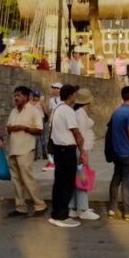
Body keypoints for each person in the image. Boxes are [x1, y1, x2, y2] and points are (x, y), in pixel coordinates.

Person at [6, 86, 47, 217]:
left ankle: (40, 205)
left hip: (26, 149)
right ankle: (20, 207)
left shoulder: (33, 111)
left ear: (26, 97)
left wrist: (24, 128)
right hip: (13, 149)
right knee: (16, 180)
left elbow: (40, 130)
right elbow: (8, 127)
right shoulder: (13, 111)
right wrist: (11, 128)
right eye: (15, 95)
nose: (16, 98)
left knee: (27, 178)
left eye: (19, 95)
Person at [48, 84, 84, 228]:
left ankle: (57, 213)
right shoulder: (68, 111)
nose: (76, 97)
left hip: (58, 150)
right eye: (75, 94)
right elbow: (76, 133)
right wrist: (82, 152)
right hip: (67, 150)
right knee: (67, 184)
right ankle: (61, 216)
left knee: (59, 183)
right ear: (70, 96)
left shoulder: (57, 109)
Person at [107, 86, 129, 220]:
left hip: (117, 152)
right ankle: (128, 211)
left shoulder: (116, 112)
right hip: (127, 153)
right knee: (126, 182)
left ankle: (112, 208)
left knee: (116, 179)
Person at [69, 89, 100, 220]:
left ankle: (74, 207)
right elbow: (79, 135)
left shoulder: (79, 113)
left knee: (78, 178)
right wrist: (83, 153)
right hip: (82, 150)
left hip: (82, 150)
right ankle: (83, 208)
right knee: (83, 178)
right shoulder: (80, 114)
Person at [43, 83, 63, 171]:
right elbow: (49, 112)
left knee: (58, 142)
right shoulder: (52, 100)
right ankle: (51, 161)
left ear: (59, 89)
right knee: (50, 142)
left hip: (60, 124)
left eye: (55, 88)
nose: (53, 90)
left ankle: (56, 161)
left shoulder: (63, 99)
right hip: (53, 123)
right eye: (53, 88)